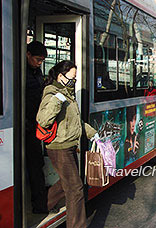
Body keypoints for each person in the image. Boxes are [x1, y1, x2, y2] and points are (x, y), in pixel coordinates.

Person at [36, 60, 97, 228]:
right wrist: (57, 100)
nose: (74, 81)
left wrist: (94, 134)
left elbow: (75, 121)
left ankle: (42, 205)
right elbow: (43, 120)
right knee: (76, 189)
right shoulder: (51, 93)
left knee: (67, 184)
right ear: (60, 76)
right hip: (59, 147)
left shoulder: (67, 93)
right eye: (71, 78)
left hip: (69, 146)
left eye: (75, 78)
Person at [25, 41, 49, 214]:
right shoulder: (19, 71)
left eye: (42, 60)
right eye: (37, 59)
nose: (39, 63)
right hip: (24, 124)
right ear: (27, 54)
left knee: (37, 163)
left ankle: (39, 202)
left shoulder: (37, 72)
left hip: (34, 124)